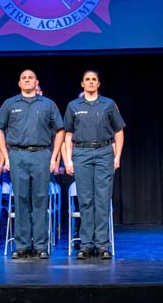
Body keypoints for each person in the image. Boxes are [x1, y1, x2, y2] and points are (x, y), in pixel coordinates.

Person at [0, 69, 64, 259]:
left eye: (30, 78)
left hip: (41, 155)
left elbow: (60, 130)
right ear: (19, 83)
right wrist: (6, 156)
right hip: (18, 155)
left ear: (36, 82)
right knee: (22, 200)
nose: (27, 80)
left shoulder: (47, 104)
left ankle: (41, 245)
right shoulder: (10, 104)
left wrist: (54, 156)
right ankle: (22, 245)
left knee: (40, 200)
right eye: (23, 78)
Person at [63, 70, 125, 260]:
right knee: (85, 200)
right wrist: (68, 159)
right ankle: (87, 244)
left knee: (102, 199)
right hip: (81, 153)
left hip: (104, 152)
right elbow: (68, 134)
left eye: (94, 80)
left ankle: (103, 244)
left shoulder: (108, 104)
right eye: (87, 80)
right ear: (82, 84)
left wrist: (117, 156)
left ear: (98, 84)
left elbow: (119, 132)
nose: (90, 82)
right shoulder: (73, 106)